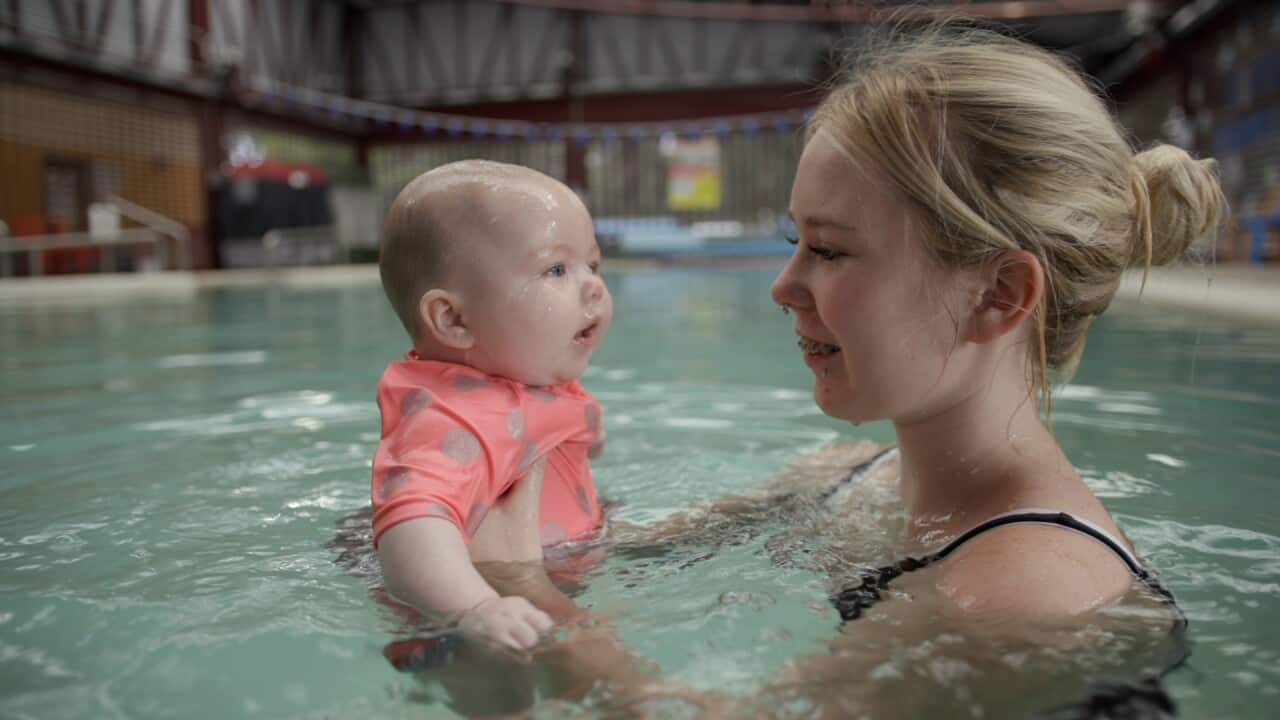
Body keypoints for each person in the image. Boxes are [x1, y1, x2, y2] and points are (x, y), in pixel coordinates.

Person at [371, 159, 612, 653]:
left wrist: (586, 434)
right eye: (556, 269)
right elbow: (412, 525)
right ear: (454, 319)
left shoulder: (528, 373)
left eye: (593, 264)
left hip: (551, 572)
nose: (593, 285)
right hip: (463, 618)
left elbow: (552, 426)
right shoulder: (452, 418)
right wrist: (475, 609)